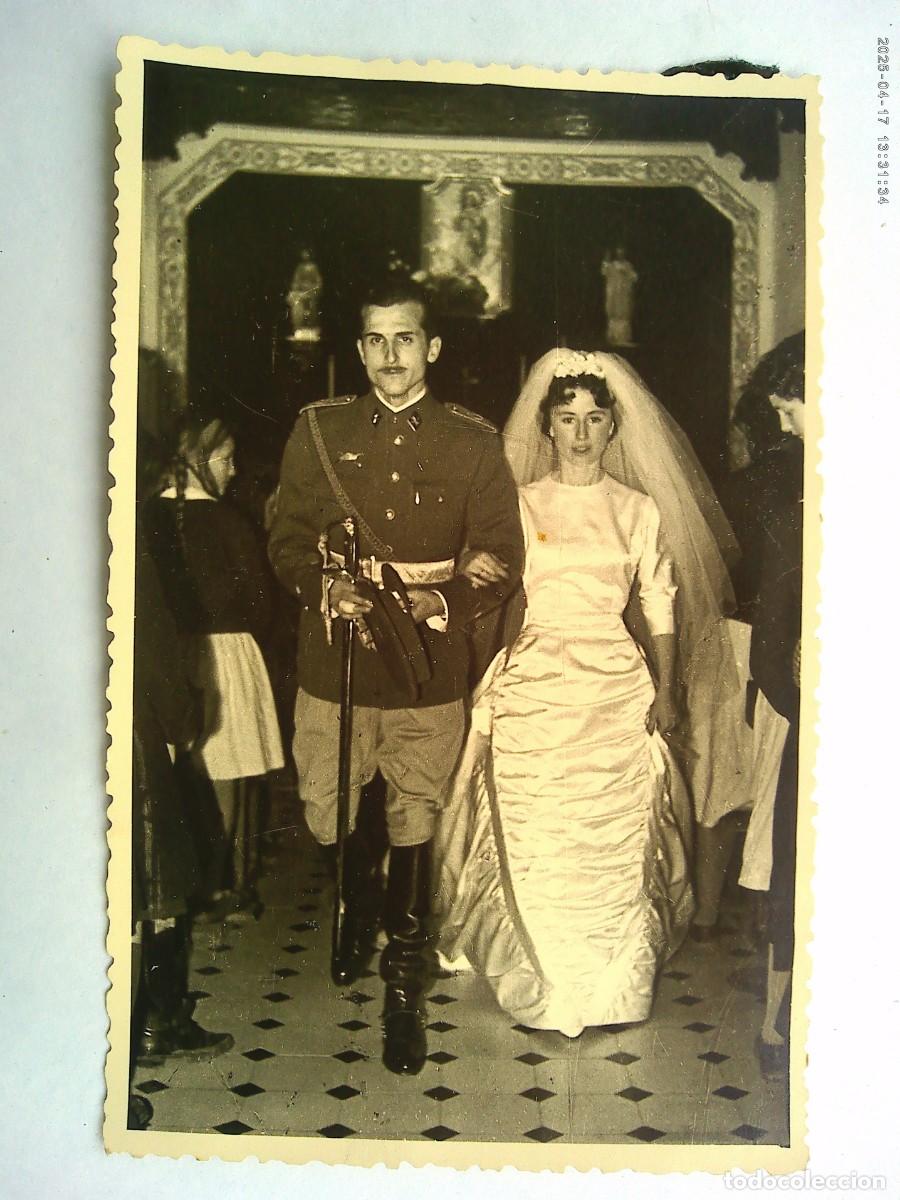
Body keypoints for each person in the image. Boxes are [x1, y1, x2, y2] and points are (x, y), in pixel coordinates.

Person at [437, 348, 737, 1037]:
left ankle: (610, 987)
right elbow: (488, 586)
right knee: (537, 818)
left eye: (595, 418)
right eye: (566, 418)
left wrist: (664, 688)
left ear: (612, 427)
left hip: (614, 680)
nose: (580, 433)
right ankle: (539, 980)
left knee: (617, 824)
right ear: (545, 426)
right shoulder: (518, 502)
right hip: (539, 673)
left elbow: (659, 601)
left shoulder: (637, 509)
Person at [268, 276, 524, 1075]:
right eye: (375, 340)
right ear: (359, 348)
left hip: (425, 666)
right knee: (326, 805)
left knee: (416, 809)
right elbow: (284, 538)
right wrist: (325, 587)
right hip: (336, 657)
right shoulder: (317, 431)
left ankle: (404, 982)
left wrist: (434, 597)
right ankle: (358, 894)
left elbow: (500, 560)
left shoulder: (472, 441)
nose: (389, 356)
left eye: (404, 339)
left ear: (432, 347)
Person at [142, 414, 284, 921]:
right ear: (199, 461)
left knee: (185, 772)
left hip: (166, 656)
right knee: (232, 774)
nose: (233, 469)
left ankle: (186, 885)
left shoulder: (146, 517)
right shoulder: (229, 522)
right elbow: (262, 604)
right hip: (226, 656)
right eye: (225, 459)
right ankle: (229, 887)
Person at [131, 533, 234, 1122]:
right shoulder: (123, 535)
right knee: (152, 889)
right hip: (128, 738)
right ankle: (152, 1024)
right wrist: (180, 721)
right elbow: (157, 649)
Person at [746, 336, 805, 1078]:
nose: (787, 430)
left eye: (794, 412)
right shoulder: (787, 488)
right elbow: (774, 619)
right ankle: (776, 1021)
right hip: (813, 714)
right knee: (794, 864)